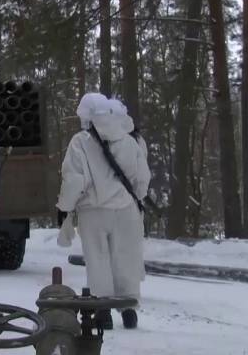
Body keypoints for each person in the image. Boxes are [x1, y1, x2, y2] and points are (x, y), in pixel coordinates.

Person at [55, 93, 150, 329]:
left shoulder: (81, 141)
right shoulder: (129, 141)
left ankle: (103, 311)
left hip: (93, 212)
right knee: (125, 258)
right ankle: (129, 310)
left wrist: (65, 207)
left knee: (98, 260)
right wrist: (135, 198)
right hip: (126, 210)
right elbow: (142, 177)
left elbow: (74, 180)